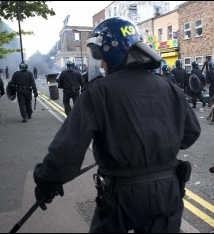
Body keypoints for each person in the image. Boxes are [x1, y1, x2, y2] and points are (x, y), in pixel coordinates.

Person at [33, 17, 201, 233]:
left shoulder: (98, 92)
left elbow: (68, 149)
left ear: (114, 53)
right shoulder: (171, 89)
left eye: (102, 57)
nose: (101, 63)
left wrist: (47, 182)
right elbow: (191, 134)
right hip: (167, 191)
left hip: (121, 195)